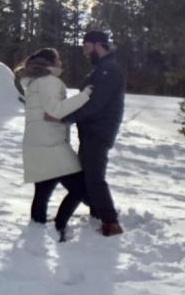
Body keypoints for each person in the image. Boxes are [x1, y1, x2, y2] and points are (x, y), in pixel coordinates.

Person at [49, 30, 124, 237]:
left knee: (93, 178)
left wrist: (66, 118)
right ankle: (98, 213)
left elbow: (96, 104)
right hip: (91, 131)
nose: (84, 51)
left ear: (99, 45)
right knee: (87, 176)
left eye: (86, 47)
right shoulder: (100, 69)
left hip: (99, 132)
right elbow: (85, 99)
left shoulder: (109, 70)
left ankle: (111, 222)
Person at [15, 48, 92, 242]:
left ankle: (36, 229)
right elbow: (55, 110)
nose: (61, 62)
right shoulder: (49, 81)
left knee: (43, 189)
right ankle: (60, 225)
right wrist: (84, 96)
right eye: (58, 59)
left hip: (35, 143)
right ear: (50, 63)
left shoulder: (33, 83)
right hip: (51, 143)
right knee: (80, 189)